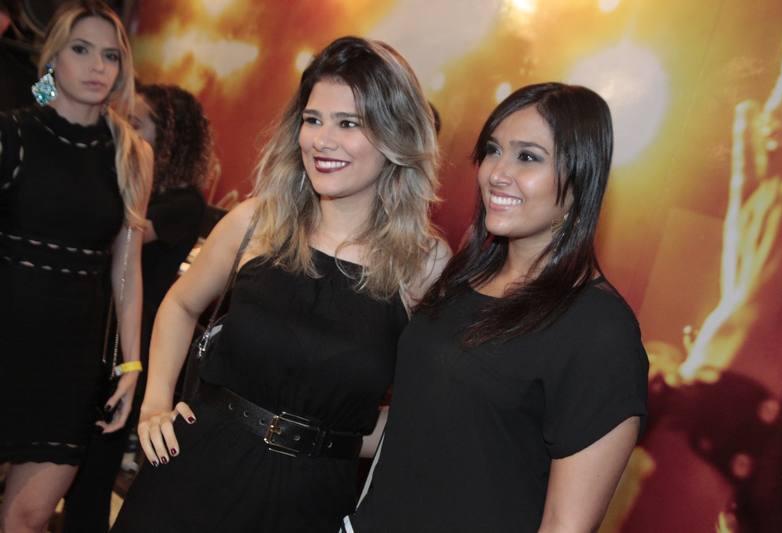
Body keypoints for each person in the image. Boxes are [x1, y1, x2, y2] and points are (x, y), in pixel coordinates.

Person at [111, 36, 448, 532]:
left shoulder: (422, 263)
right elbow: (180, 305)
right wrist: (155, 403)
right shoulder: (257, 222)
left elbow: (426, 405)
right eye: (313, 119)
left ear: (395, 134)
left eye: (348, 123)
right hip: (195, 472)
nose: (321, 140)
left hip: (312, 499)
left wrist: (346, 438)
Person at [345, 82, 649, 532]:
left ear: (580, 178)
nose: (497, 173)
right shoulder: (463, 279)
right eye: (493, 150)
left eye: (528, 157)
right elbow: (431, 418)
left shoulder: (600, 329)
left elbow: (565, 524)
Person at [0, 1, 153, 531]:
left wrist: (131, 363)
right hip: (6, 335)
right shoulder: (13, 134)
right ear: (52, 59)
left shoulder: (131, 152)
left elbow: (127, 268)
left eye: (110, 55)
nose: (97, 66)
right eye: (81, 50)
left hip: (72, 361)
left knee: (28, 516)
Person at [62, 83, 210, 533]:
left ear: (169, 137)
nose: (128, 129)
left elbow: (115, 235)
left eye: (138, 123)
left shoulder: (183, 203)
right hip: (105, 330)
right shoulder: (148, 190)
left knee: (95, 468)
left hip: (133, 341)